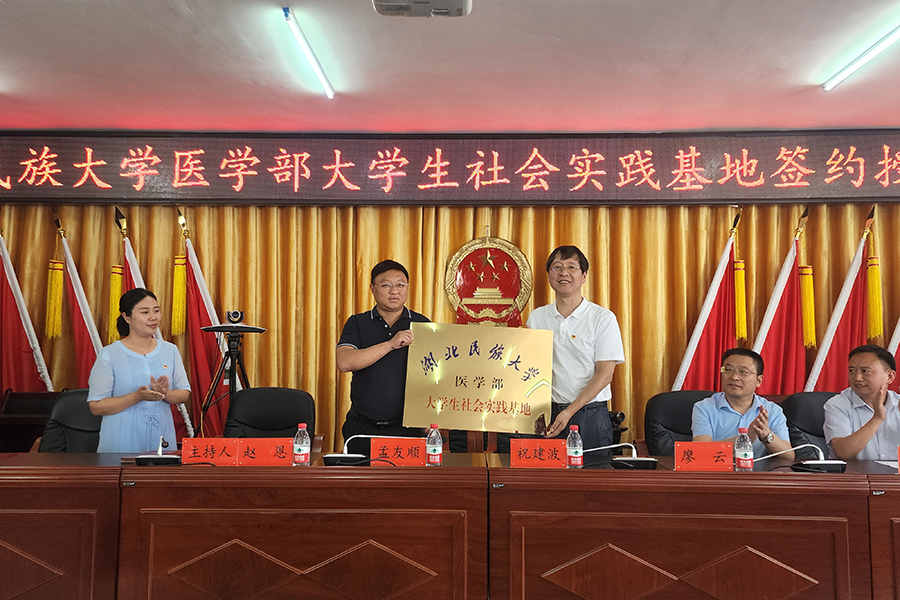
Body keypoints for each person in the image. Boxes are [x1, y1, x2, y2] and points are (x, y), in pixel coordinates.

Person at [526, 245, 625, 463]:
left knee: (591, 479)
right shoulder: (537, 317)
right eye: (557, 267)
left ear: (584, 276)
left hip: (590, 416)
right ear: (549, 276)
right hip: (548, 415)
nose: (564, 273)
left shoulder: (602, 318)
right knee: (547, 480)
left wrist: (569, 412)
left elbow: (605, 375)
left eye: (572, 267)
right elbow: (529, 368)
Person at [337, 260, 430, 452]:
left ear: (407, 287)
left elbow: (436, 373)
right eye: (386, 285)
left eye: (400, 285)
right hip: (362, 427)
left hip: (407, 429)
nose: (394, 291)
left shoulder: (422, 324)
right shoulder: (358, 322)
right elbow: (344, 362)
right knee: (359, 473)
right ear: (372, 288)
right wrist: (390, 344)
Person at [87, 288, 190, 453]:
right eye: (145, 312)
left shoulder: (170, 350)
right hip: (121, 441)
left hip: (161, 438)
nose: (153, 317)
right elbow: (96, 406)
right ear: (126, 317)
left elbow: (184, 393)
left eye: (156, 310)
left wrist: (165, 393)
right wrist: (137, 397)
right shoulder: (110, 354)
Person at [691, 348, 793, 460]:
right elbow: (700, 452)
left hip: (757, 470)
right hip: (718, 470)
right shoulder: (704, 408)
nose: (734, 377)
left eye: (743, 372)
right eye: (728, 370)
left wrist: (766, 435)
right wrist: (747, 437)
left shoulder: (772, 410)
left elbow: (789, 456)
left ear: (758, 381)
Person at [823, 344, 900, 461]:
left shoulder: (898, 403)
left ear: (890, 376)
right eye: (852, 371)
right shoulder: (837, 405)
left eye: (865, 371)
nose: (857, 378)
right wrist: (877, 419)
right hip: (854, 472)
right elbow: (842, 453)